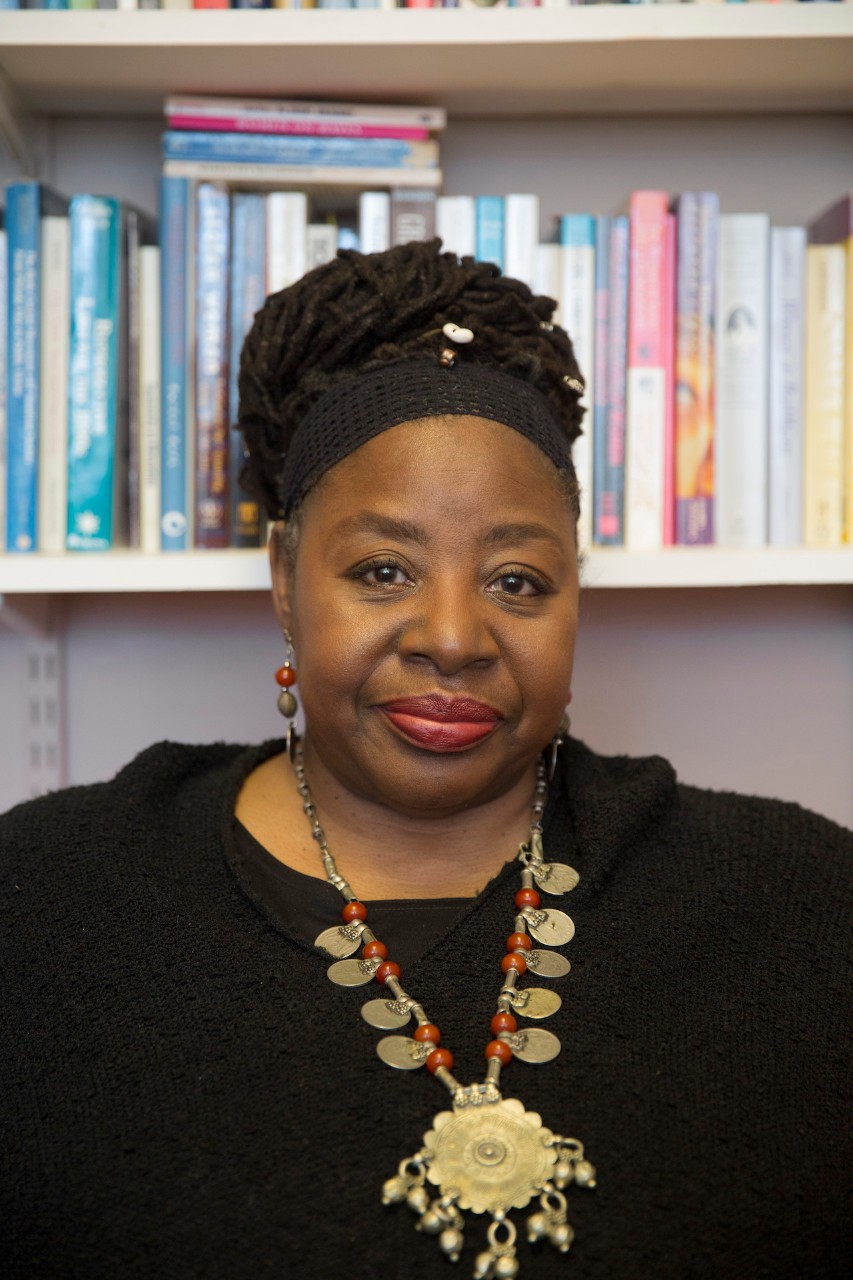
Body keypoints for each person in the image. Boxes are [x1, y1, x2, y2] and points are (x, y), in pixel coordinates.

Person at [1, 241, 850, 1280]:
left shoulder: (798, 902)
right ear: (282, 575)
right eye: (383, 567)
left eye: (518, 581)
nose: (453, 635)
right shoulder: (46, 901)